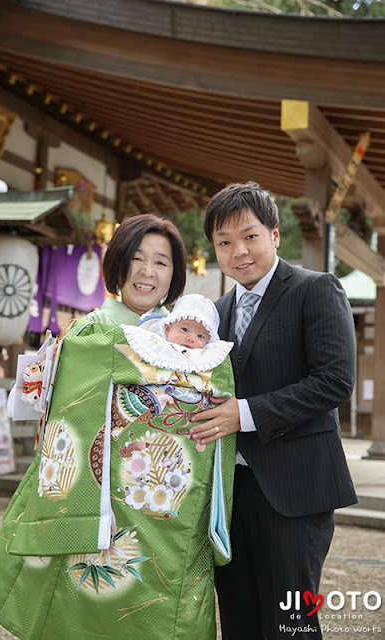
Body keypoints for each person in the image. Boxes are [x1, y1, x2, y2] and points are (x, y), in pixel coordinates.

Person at [0, 215, 237, 640]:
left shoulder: (196, 341)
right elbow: (67, 407)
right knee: (83, 603)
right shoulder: (93, 330)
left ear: (175, 273)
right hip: (100, 501)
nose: (148, 272)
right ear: (117, 264)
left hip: (168, 500)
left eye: (162, 262)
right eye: (136, 258)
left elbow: (216, 402)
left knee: (163, 601)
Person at [188, 181, 357, 640]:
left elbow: (335, 381)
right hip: (228, 496)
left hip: (294, 493)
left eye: (249, 236)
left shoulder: (315, 289)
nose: (238, 251)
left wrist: (242, 414)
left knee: (291, 625)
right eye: (224, 243)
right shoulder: (214, 314)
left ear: (275, 235)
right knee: (239, 620)